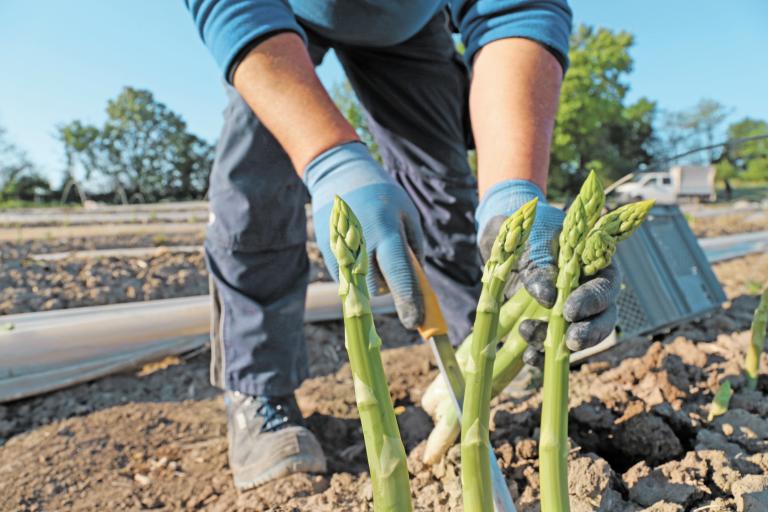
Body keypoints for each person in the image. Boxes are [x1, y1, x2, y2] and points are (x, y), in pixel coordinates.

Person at [186, 0, 621, 491]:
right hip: (278, 14)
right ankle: (258, 387)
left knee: (441, 190)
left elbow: (515, 10)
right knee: (255, 180)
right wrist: (330, 161)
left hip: (410, 25)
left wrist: (515, 193)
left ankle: (477, 353)